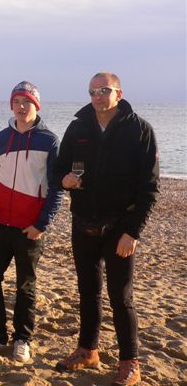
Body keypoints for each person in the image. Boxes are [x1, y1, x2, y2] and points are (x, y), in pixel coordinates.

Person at [54, 72, 159, 386]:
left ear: (118, 93)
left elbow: (149, 188)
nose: (97, 96)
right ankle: (88, 350)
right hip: (83, 222)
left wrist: (133, 232)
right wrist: (64, 180)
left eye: (104, 90)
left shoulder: (139, 130)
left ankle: (129, 362)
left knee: (121, 297)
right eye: (92, 91)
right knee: (88, 292)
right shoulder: (78, 127)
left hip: (119, 228)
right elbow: (58, 170)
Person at [0, 81, 63, 362]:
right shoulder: (2, 137)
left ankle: (23, 339)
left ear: (36, 105)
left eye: (27, 102)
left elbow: (56, 187)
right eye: (17, 102)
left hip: (29, 227)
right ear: (11, 105)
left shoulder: (49, 140)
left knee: (25, 285)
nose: (22, 107)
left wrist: (42, 224)